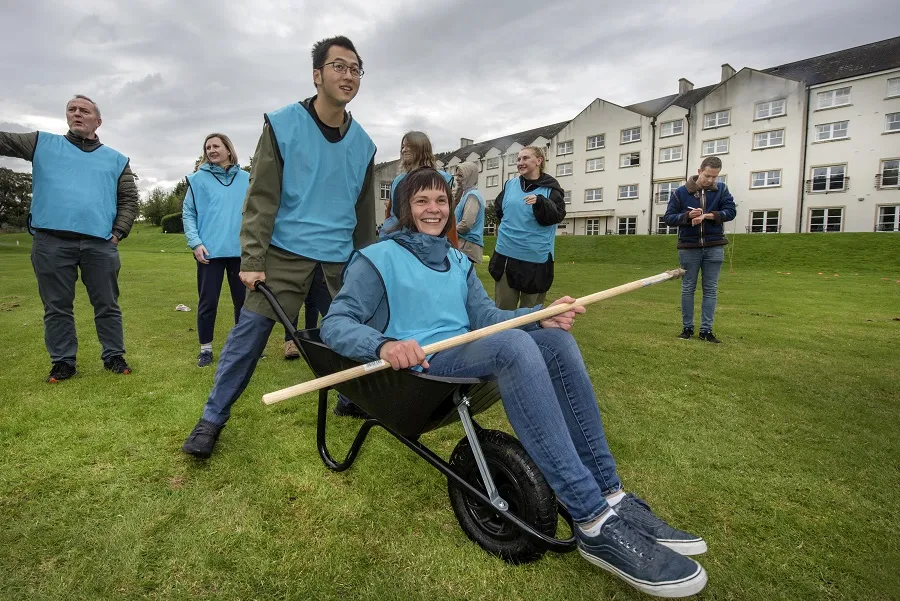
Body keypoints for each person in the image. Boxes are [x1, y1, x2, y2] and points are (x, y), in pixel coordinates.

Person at [321, 168, 708, 598]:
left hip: (461, 354)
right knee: (513, 347)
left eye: (441, 200)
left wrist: (540, 315)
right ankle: (592, 519)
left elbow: (486, 319)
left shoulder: (457, 260)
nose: (434, 209)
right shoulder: (376, 258)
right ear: (403, 208)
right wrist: (384, 344)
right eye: (421, 201)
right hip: (418, 370)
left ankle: (610, 494)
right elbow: (335, 324)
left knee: (554, 342)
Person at [181, 35, 376, 458]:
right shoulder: (284, 124)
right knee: (247, 338)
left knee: (354, 334)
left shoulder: (364, 144)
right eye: (339, 66)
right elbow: (261, 197)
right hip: (284, 257)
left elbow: (364, 218)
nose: (348, 75)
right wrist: (252, 259)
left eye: (355, 68)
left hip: (338, 262)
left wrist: (369, 266)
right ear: (317, 75)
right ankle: (211, 419)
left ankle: (349, 398)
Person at [0, 95, 139, 382]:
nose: (77, 113)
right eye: (72, 109)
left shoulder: (116, 159)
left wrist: (118, 233)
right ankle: (63, 362)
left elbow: (128, 200)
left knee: (107, 304)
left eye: (84, 110)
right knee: (57, 307)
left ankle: (113, 356)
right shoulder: (41, 143)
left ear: (98, 121)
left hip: (100, 244)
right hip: (51, 242)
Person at [182, 133, 250, 367]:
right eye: (208, 147)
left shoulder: (248, 179)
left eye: (216, 146)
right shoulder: (197, 180)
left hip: (241, 252)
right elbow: (188, 213)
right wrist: (195, 243)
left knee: (244, 304)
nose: (211, 150)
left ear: (228, 150)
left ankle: (243, 348)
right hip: (209, 253)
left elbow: (257, 212)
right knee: (208, 303)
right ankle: (206, 349)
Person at [663, 156, 736, 343]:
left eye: (715, 176)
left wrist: (708, 216)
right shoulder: (680, 192)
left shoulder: (722, 190)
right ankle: (687, 329)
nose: (711, 180)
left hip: (714, 246)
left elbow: (730, 212)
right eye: (707, 175)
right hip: (689, 247)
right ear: (699, 172)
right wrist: (688, 215)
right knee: (688, 288)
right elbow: (669, 218)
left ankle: (706, 331)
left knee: (710, 289)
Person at [488, 146, 565, 310]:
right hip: (506, 256)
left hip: (536, 259)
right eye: (518, 159)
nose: (520, 162)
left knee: (530, 313)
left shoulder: (551, 189)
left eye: (525, 158)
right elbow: (499, 211)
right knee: (503, 311)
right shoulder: (510, 185)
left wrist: (541, 202)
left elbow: (556, 216)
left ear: (539, 161)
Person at [379, 131, 457, 246]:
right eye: (403, 147)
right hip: (400, 240)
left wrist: (453, 248)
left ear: (421, 147)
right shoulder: (398, 181)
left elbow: (449, 218)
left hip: (432, 242)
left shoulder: (441, 179)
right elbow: (391, 214)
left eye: (409, 146)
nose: (404, 150)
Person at [452, 161, 485, 263]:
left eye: (460, 176)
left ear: (469, 176)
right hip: (464, 245)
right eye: (456, 175)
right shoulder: (466, 195)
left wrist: (449, 232)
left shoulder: (472, 196)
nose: (457, 179)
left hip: (467, 246)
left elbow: (466, 224)